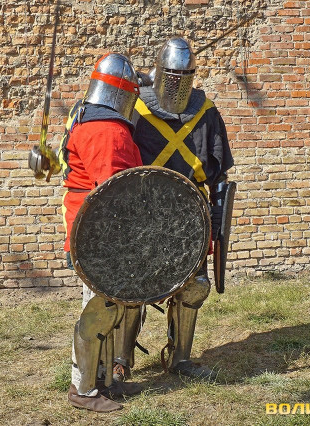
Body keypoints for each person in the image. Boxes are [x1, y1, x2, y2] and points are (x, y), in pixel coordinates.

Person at [111, 37, 234, 383]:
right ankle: (121, 359)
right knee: (131, 284)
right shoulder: (135, 106)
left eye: (185, 75)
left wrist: (216, 221)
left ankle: (181, 358)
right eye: (172, 74)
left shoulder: (206, 111)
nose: (178, 82)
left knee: (195, 286)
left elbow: (219, 174)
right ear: (159, 71)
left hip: (190, 213)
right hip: (143, 209)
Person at [57, 52, 143, 412]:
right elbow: (116, 192)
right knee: (99, 309)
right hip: (99, 234)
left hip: (94, 230)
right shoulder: (107, 130)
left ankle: (104, 381)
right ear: (123, 94)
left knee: (112, 306)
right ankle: (84, 389)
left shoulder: (85, 116)